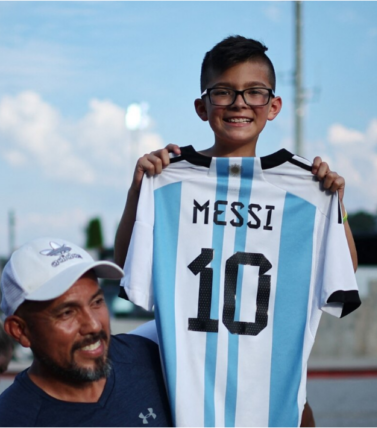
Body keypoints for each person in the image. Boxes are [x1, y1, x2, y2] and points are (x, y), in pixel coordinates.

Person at [115, 36, 360, 428]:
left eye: (254, 92)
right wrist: (138, 189)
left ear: (274, 106)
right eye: (224, 92)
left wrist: (336, 205)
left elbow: (345, 271)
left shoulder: (307, 188)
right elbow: (127, 264)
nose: (239, 103)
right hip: (187, 390)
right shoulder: (167, 179)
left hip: (270, 391)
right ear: (202, 106)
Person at [0, 237, 173, 427]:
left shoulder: (150, 355)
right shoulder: (9, 421)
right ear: (20, 330)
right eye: (67, 313)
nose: (93, 325)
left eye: (96, 302)